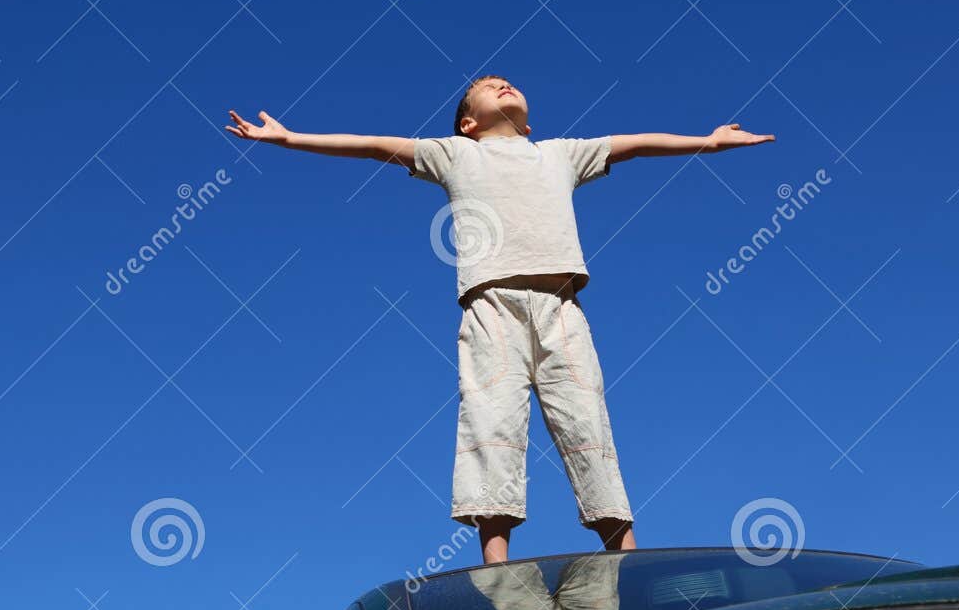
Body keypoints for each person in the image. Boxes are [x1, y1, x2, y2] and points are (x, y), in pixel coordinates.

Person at [226, 75, 772, 563]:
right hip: (491, 308)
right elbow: (372, 146)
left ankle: (625, 558)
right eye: (487, 87)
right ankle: (498, 569)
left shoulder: (560, 154)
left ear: (529, 119)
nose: (501, 84)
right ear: (469, 123)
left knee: (586, 421)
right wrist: (291, 138)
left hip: (561, 306)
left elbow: (634, 145)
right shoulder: (453, 154)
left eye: (508, 82)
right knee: (492, 422)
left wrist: (710, 140)